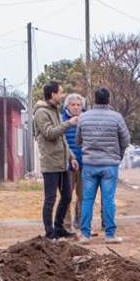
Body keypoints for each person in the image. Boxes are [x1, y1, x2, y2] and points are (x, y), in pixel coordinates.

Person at [76, 87, 130, 244]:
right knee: (108, 200)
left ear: (95, 99)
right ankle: (110, 235)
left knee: (87, 200)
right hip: (109, 164)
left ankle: (85, 234)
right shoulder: (117, 117)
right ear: (108, 100)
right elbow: (125, 140)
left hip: (89, 164)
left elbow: (78, 141)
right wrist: (117, 155)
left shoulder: (84, 118)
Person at [32, 81, 78, 239]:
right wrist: (69, 123)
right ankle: (49, 232)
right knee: (50, 199)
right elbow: (50, 133)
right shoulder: (41, 112)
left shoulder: (54, 110)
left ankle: (59, 228)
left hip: (62, 162)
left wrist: (71, 156)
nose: (62, 95)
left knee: (67, 196)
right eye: (60, 92)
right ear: (52, 94)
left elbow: (61, 138)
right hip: (50, 163)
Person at [63, 92, 85, 231]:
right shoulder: (62, 120)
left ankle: (81, 222)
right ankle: (66, 225)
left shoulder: (86, 119)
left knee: (83, 196)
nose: (76, 107)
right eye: (73, 105)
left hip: (84, 164)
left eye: (79, 105)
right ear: (68, 106)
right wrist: (70, 158)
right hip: (67, 164)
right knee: (67, 196)